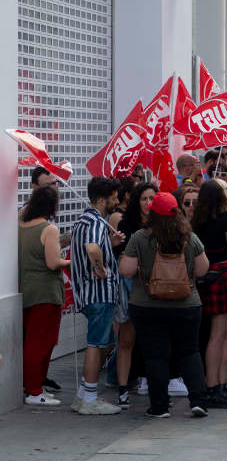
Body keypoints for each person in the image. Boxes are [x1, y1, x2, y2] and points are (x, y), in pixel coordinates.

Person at [118, 192, 211, 419]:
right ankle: (198, 401)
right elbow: (202, 269)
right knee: (189, 352)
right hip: (187, 304)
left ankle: (159, 407)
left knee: (155, 356)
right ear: (176, 211)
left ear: (152, 212)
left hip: (147, 305)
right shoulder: (189, 236)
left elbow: (126, 271)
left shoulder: (140, 237)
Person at [190, 180, 227, 408]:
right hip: (223, 275)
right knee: (219, 334)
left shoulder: (196, 221)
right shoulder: (226, 218)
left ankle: (218, 383)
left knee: (219, 334)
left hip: (204, 276)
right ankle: (214, 386)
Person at [69, 176, 125, 415]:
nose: (117, 201)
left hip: (90, 292)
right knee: (97, 343)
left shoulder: (86, 219)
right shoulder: (95, 222)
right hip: (98, 293)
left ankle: (83, 395)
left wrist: (108, 245)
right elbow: (91, 248)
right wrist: (100, 269)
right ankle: (90, 397)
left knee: (102, 341)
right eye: (114, 198)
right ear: (102, 200)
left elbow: (95, 246)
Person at [20, 186, 71, 406]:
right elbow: (52, 262)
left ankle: (34, 386)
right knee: (42, 342)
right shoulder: (48, 228)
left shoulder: (20, 225)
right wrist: (72, 262)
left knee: (32, 341)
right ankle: (34, 390)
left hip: (26, 290)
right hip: (46, 292)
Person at [108, 181, 157, 408]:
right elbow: (117, 258)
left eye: (152, 198)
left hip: (156, 289)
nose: (148, 203)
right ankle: (122, 388)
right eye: (144, 198)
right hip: (130, 287)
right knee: (126, 340)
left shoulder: (164, 224)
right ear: (136, 200)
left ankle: (152, 382)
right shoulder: (127, 225)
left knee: (151, 340)